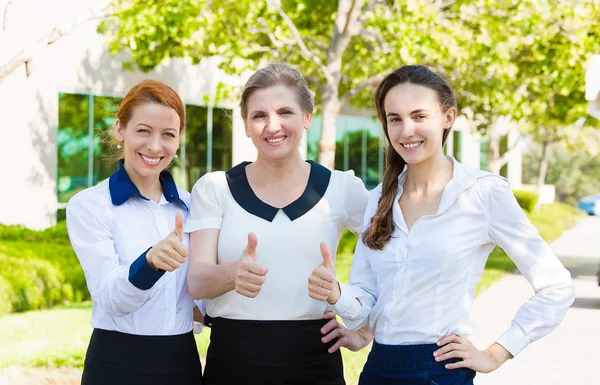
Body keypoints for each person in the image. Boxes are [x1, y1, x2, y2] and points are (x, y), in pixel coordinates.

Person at [313, 65, 575, 385]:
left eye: (419, 116)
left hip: (439, 371)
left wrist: (496, 353)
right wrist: (337, 294)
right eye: (394, 119)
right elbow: (371, 298)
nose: (406, 130)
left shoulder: (482, 193)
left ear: (448, 118)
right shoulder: (379, 198)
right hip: (378, 369)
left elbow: (557, 286)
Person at [185, 62, 369, 385]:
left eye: (285, 112)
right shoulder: (215, 189)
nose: (273, 126)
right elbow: (197, 281)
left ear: (308, 117)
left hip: (315, 365)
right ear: (245, 124)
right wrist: (232, 274)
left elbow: (396, 258)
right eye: (259, 115)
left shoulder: (342, 190)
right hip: (232, 365)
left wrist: (364, 331)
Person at [66, 79, 204, 385]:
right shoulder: (89, 206)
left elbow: (202, 301)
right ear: (120, 130)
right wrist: (150, 263)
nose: (155, 146)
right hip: (117, 365)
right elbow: (110, 299)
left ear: (179, 140)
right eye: (143, 131)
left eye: (168, 134)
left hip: (183, 362)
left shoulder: (194, 206)